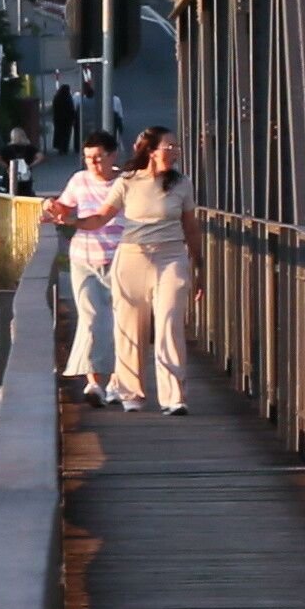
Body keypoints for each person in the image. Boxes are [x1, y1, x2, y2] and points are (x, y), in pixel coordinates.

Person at [108, 134, 195, 413]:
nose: (175, 150)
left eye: (176, 145)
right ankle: (131, 393)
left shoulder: (182, 183)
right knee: (129, 326)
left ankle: (174, 397)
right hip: (132, 257)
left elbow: (191, 226)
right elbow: (101, 216)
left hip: (171, 256)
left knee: (169, 322)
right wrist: (70, 218)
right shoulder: (127, 182)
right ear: (152, 151)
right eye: (170, 145)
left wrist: (200, 264)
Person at [53, 138, 123, 388]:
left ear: (113, 156)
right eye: (88, 157)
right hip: (84, 258)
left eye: (98, 156)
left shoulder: (126, 183)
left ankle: (117, 381)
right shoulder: (79, 180)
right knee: (91, 319)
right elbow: (64, 204)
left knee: (120, 322)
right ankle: (94, 382)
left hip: (120, 259)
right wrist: (52, 207)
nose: (92, 162)